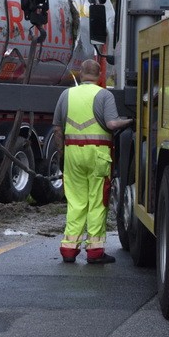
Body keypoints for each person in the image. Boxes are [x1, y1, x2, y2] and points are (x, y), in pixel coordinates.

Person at [52, 59, 133, 264]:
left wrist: (62, 155)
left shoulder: (66, 95)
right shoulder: (104, 94)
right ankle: (95, 252)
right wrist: (131, 121)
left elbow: (57, 130)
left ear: (80, 74)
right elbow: (112, 124)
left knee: (76, 201)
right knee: (97, 202)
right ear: (99, 76)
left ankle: (69, 250)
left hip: (72, 154)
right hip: (98, 154)